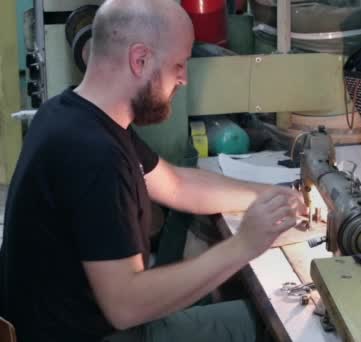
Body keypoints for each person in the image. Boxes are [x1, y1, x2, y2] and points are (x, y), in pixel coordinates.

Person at [0, 0, 306, 341]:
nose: (184, 80)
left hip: (74, 322)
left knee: (226, 293)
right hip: (94, 334)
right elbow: (126, 306)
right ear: (140, 59)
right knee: (274, 325)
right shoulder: (93, 154)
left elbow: (174, 184)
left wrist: (270, 196)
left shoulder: (71, 112)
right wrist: (245, 244)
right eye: (179, 64)